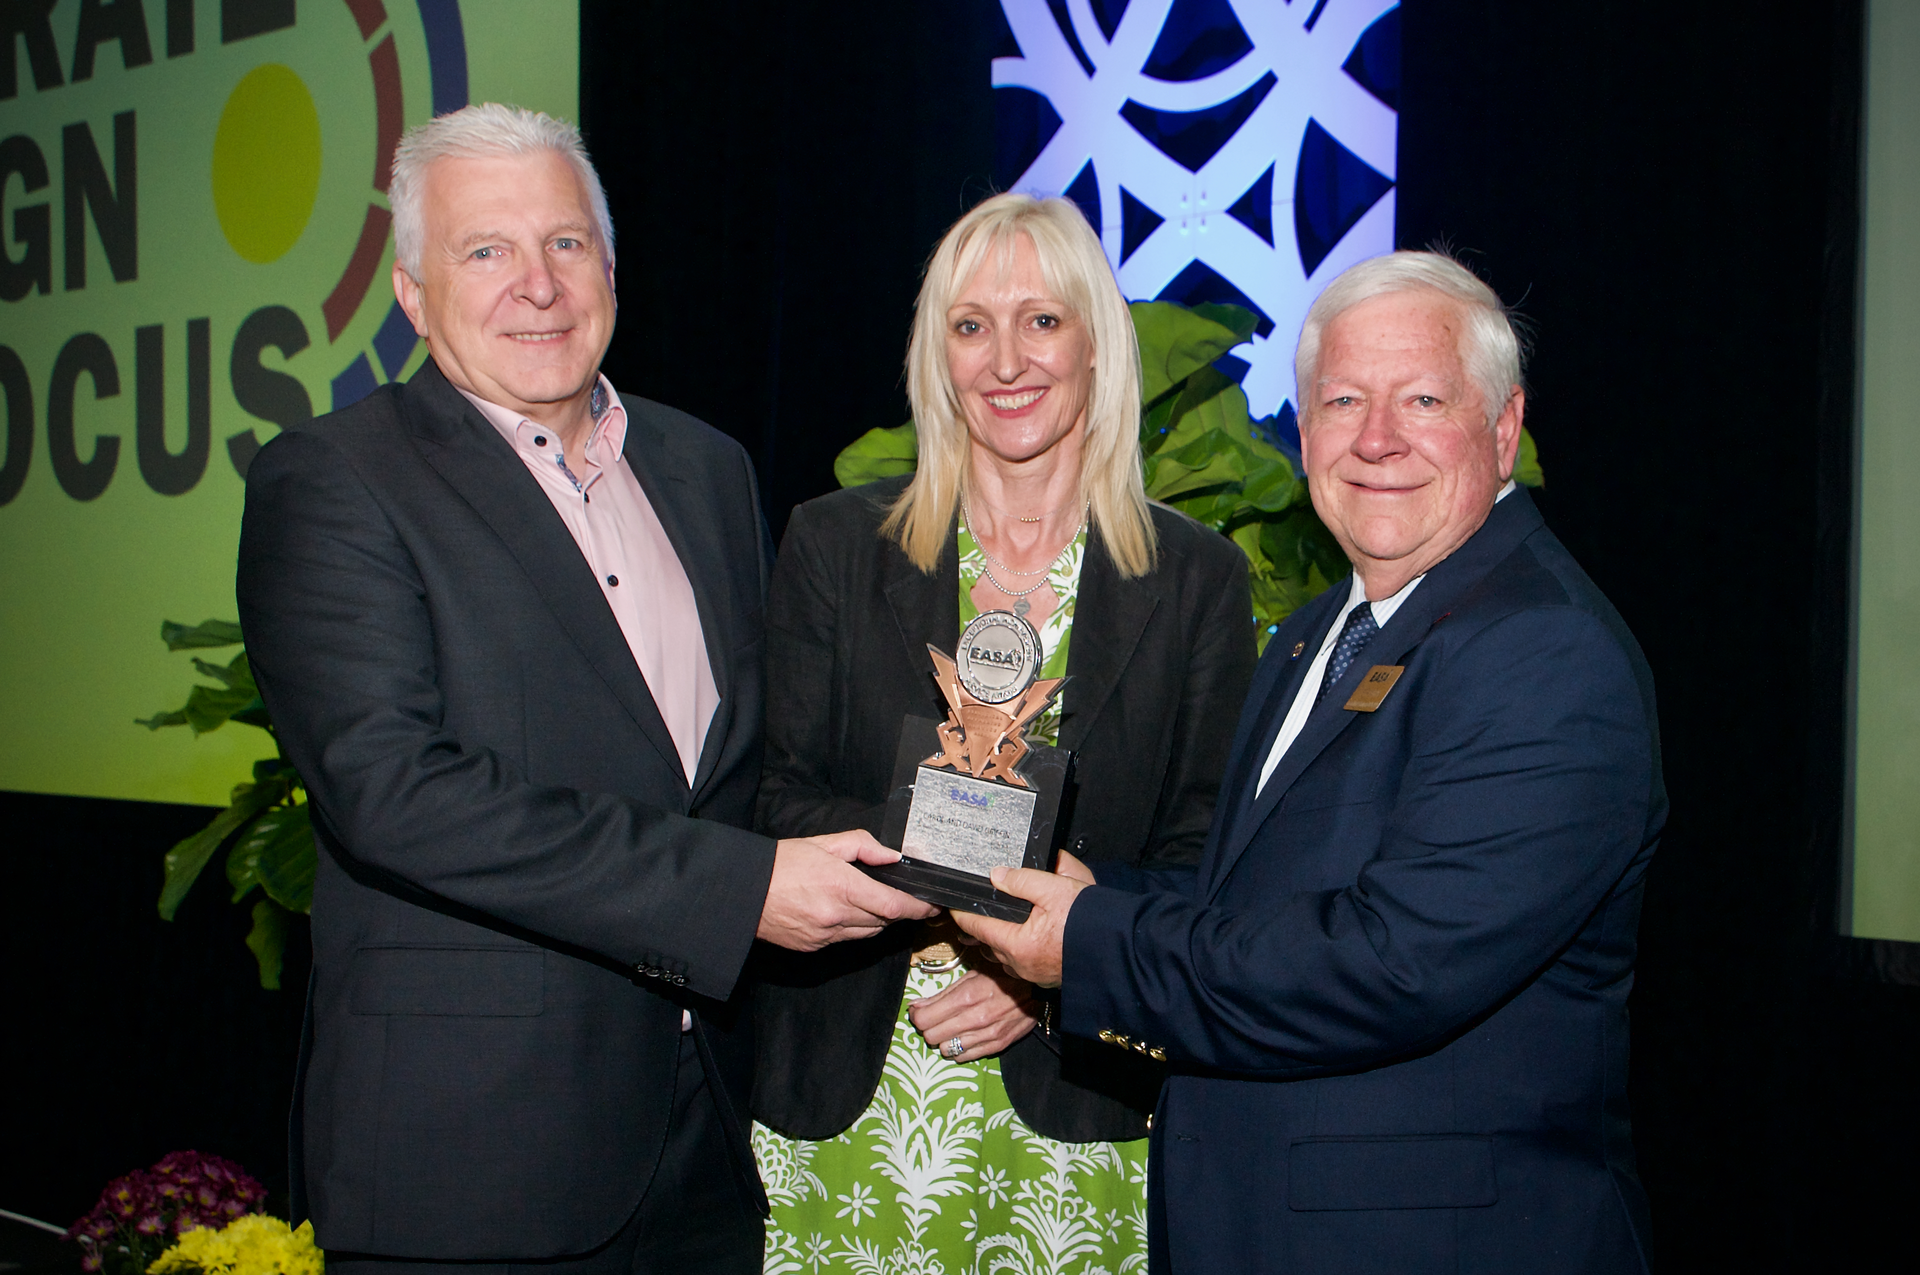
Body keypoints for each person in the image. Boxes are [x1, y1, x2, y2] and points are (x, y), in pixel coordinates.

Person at [235, 104, 933, 1275]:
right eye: (486, 251)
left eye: (565, 244)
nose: (538, 285)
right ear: (413, 293)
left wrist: (960, 881)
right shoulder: (334, 481)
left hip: (709, 1128)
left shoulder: (706, 467)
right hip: (473, 1159)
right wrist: (739, 890)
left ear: (610, 267)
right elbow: (394, 793)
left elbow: (747, 762)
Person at [956, 251, 1664, 1274]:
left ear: (1503, 430)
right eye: (1342, 400)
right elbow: (1257, 893)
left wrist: (1092, 942)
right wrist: (1096, 888)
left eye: (1422, 399)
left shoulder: (1545, 653)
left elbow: (1391, 962)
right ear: (1305, 430)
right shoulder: (1319, 633)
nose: (1376, 440)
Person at [749, 193, 1255, 1272]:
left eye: (1042, 320)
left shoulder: (1197, 576)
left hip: (1075, 1106)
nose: (1006, 360)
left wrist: (1053, 970)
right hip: (857, 1088)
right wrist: (965, 871)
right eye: (971, 325)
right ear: (939, 357)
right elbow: (775, 799)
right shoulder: (835, 547)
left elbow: (1203, 862)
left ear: (1095, 346)